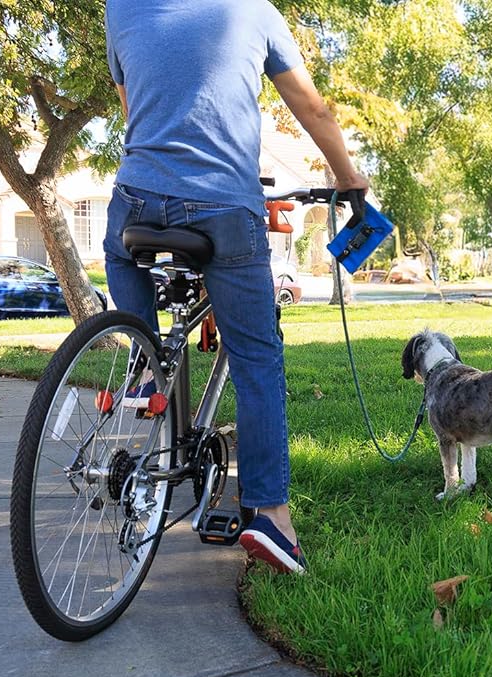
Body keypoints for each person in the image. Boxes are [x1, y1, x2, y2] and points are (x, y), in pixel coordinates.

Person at [104, 0, 369, 574]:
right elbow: (311, 108)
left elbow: (134, 114)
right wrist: (349, 178)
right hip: (225, 207)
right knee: (256, 358)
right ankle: (271, 517)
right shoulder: (254, 11)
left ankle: (144, 360)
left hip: (138, 202)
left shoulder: (120, 7)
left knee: (116, 252)